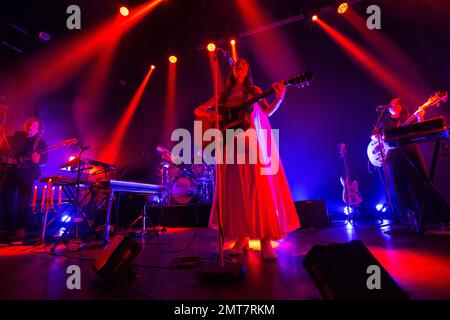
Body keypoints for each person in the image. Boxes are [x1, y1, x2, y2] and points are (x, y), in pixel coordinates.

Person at [194, 58, 300, 260]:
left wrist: (279, 98)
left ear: (248, 69)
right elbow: (198, 110)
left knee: (256, 189)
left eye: (243, 62)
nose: (239, 64)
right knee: (235, 192)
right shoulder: (222, 96)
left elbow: (267, 112)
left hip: (249, 143)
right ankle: (241, 238)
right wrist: (210, 116)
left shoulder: (254, 91)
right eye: (237, 63)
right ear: (232, 69)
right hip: (228, 145)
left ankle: (265, 241)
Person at [380, 98, 429, 225]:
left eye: (395, 105)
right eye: (390, 105)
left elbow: (420, 131)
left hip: (409, 153)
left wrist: (420, 118)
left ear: (401, 106)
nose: (391, 106)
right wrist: (377, 136)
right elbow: (383, 137)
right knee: (398, 186)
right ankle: (404, 217)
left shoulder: (408, 118)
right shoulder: (386, 121)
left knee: (416, 183)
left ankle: (423, 216)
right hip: (393, 157)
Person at [0, 118, 48, 241]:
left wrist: (38, 160)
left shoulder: (40, 143)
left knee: (23, 203)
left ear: (38, 130)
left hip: (27, 175)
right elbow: (3, 150)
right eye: (29, 125)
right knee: (6, 200)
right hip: (11, 173)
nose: (30, 128)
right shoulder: (15, 137)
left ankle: (20, 230)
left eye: (33, 127)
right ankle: (7, 229)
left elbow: (44, 161)